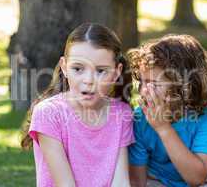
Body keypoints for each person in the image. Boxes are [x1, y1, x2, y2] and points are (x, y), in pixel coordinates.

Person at [20, 23, 135, 187]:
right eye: (78, 69)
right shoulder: (48, 113)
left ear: (116, 72)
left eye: (101, 71)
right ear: (64, 67)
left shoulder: (122, 113)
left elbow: (121, 182)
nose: (88, 80)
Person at [127, 34, 207, 187]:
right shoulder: (141, 118)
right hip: (154, 179)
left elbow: (196, 178)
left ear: (185, 86)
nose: (144, 91)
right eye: (142, 82)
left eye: (153, 84)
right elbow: (137, 181)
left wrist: (163, 128)